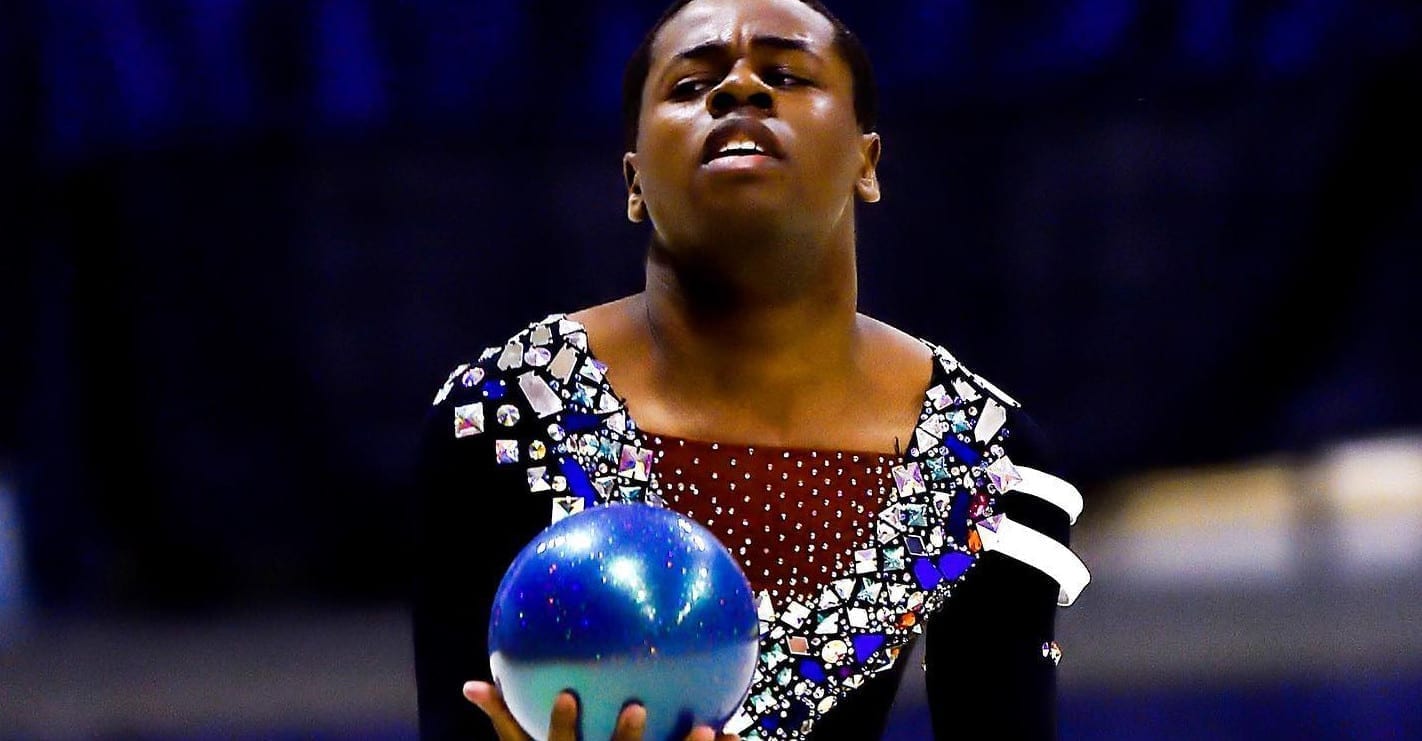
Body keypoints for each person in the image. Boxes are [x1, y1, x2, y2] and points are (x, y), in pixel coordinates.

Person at [412, 0, 1090, 739]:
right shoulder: (508, 413)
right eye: (689, 85)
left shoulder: (984, 454)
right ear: (634, 182)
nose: (740, 88)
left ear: (866, 163)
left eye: (787, 74)